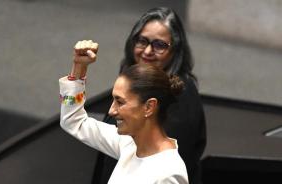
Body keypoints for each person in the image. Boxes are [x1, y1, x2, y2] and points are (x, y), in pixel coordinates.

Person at [92, 7, 207, 184]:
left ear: (175, 50)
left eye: (159, 45)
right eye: (142, 41)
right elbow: (73, 122)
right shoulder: (135, 77)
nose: (147, 51)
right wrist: (78, 70)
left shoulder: (180, 96)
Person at [60, 40, 188, 184]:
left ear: (149, 107)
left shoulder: (168, 174)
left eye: (120, 102)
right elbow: (73, 121)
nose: (111, 110)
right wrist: (79, 67)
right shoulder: (129, 144)